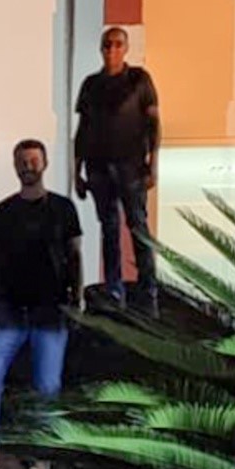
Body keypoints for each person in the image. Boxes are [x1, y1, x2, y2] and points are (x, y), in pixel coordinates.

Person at [0, 140, 82, 466]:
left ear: (44, 163)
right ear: (14, 165)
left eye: (33, 160)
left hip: (51, 309)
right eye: (22, 161)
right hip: (9, 309)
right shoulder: (2, 212)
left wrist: (77, 299)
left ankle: (42, 452)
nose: (27, 166)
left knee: (47, 385)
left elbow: (75, 256)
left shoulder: (63, 208)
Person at [74, 26, 160, 312]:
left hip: (131, 165)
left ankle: (148, 290)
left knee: (138, 226)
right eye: (107, 44)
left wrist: (154, 164)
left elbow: (154, 123)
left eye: (117, 44)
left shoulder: (139, 79)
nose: (111, 50)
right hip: (98, 166)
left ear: (125, 48)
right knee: (108, 228)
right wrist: (76, 171)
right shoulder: (91, 85)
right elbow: (82, 129)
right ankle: (114, 288)